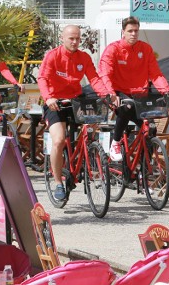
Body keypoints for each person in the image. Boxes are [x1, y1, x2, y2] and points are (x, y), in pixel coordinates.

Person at [38, 25, 114, 201]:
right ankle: (58, 182)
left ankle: (84, 156)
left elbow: (94, 78)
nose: (74, 42)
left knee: (94, 121)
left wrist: (106, 94)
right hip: (55, 102)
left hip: (75, 99)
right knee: (58, 140)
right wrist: (48, 98)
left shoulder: (84, 57)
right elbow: (42, 78)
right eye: (71, 38)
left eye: (77, 39)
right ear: (62, 39)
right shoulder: (52, 56)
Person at [98, 16, 169, 162]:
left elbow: (156, 74)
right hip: (119, 93)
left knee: (151, 129)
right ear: (123, 32)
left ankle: (142, 171)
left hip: (140, 94)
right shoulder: (113, 49)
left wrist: (166, 92)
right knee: (126, 107)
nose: (133, 34)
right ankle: (115, 142)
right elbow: (104, 73)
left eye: (136, 31)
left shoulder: (145, 49)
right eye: (130, 31)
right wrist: (111, 94)